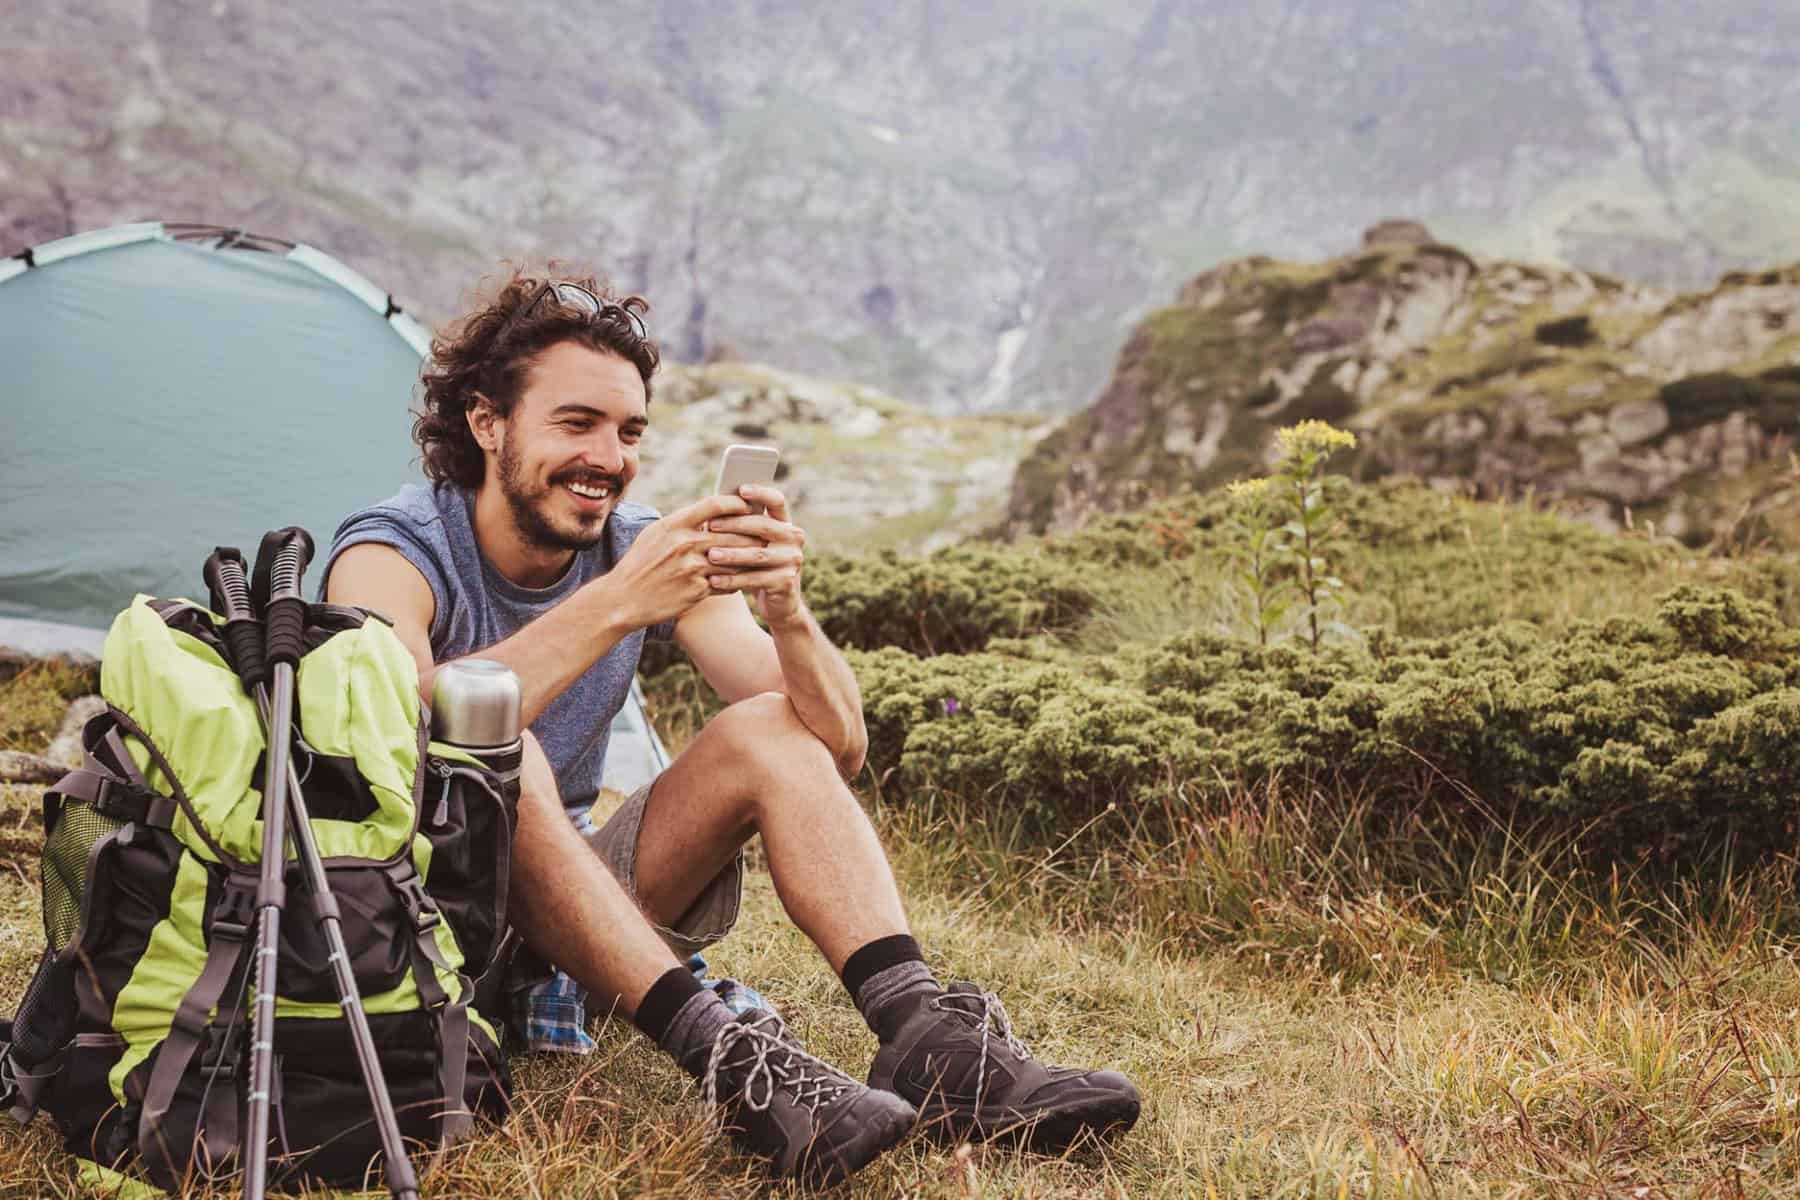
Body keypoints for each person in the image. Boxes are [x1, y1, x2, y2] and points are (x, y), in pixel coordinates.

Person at [321, 270, 1141, 1185]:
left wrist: (786, 611)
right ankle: (731, 1062)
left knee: (763, 729)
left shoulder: (632, 542)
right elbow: (394, 726)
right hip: (424, 925)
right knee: (501, 747)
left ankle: (929, 1040)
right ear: (487, 422)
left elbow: (832, 746)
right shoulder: (391, 552)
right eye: (576, 423)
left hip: (571, 920)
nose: (609, 456)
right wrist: (619, 604)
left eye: (629, 431)